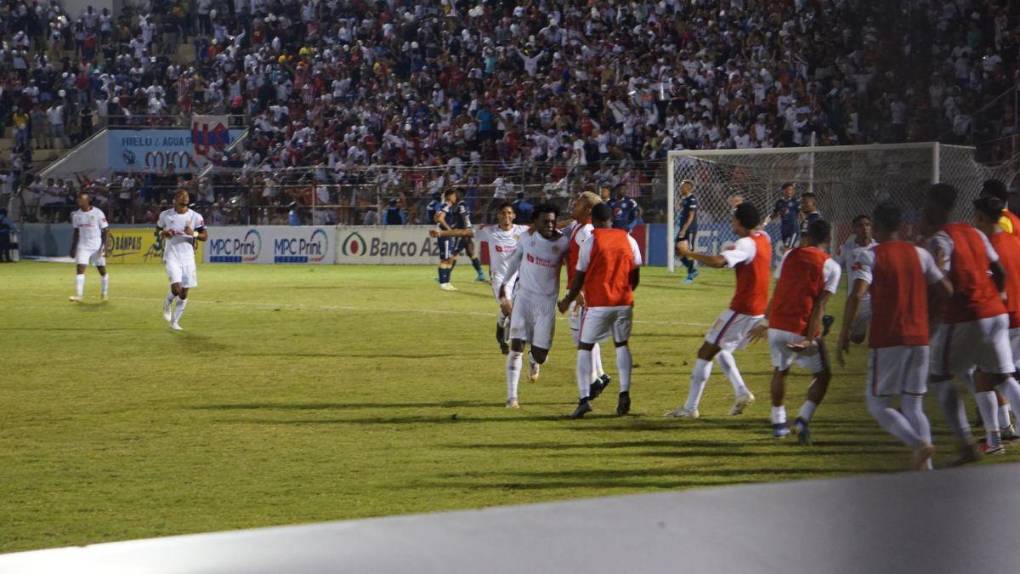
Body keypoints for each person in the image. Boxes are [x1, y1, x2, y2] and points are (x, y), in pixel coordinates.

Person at [837, 202, 950, 471]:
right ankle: (928, 469)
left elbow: (857, 293)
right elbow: (946, 289)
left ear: (876, 227)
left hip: (888, 338)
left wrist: (844, 333)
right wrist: (932, 322)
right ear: (901, 226)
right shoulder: (920, 255)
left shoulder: (870, 256)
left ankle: (918, 445)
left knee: (877, 404)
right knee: (914, 405)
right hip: (920, 338)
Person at [923, 184, 1020, 463]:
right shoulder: (978, 234)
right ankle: (994, 437)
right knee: (1003, 377)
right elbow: (1000, 273)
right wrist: (998, 296)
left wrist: (932, 313)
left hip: (967, 314)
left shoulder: (942, 239)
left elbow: (940, 280)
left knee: (941, 375)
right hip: (998, 313)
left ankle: (969, 442)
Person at [666, 202, 768, 418]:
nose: (731, 222)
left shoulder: (745, 243)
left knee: (706, 351)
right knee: (723, 349)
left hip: (742, 310)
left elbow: (718, 262)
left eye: (733, 219)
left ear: (740, 222)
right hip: (758, 310)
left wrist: (689, 253)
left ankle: (690, 408)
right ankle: (741, 392)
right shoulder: (764, 239)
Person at [750, 219, 840, 441]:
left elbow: (779, 288)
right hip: (800, 328)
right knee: (823, 374)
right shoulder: (831, 266)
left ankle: (779, 424)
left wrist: (765, 321)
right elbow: (820, 306)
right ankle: (802, 419)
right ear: (829, 238)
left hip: (777, 326)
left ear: (806, 236)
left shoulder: (790, 255)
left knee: (780, 371)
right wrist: (809, 339)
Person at [559, 202, 642, 418]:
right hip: (624, 302)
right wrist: (623, 291)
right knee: (621, 345)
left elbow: (578, 278)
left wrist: (567, 300)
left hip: (599, 304)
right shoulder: (629, 239)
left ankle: (584, 399)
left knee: (584, 347)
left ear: (593, 220)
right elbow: (635, 276)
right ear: (611, 219)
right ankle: (624, 393)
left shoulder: (591, 241)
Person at [431, 202, 529, 355]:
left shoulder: (522, 230)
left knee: (507, 311)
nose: (506, 216)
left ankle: (500, 330)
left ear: (514, 215)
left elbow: (546, 227)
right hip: (499, 279)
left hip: (517, 279)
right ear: (498, 215)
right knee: (511, 310)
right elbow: (465, 233)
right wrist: (442, 234)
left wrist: (574, 222)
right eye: (503, 213)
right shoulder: (489, 232)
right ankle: (520, 343)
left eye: (509, 213)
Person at [499, 204, 569, 406]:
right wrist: (505, 288)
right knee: (515, 347)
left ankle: (533, 360)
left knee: (540, 355)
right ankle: (512, 397)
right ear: (535, 222)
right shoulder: (526, 238)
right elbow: (514, 263)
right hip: (524, 298)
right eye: (545, 221)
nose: (550, 225)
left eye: (553, 221)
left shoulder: (563, 242)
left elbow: (574, 268)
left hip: (546, 305)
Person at [972, 195, 1020, 447]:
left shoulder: (987, 249)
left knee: (988, 377)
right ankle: (1003, 432)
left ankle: (997, 436)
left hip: (1001, 321)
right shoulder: (1016, 241)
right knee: (1000, 377)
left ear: (980, 217)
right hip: (1017, 317)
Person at [564, 192, 611, 397]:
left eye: (579, 202)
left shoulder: (586, 232)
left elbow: (590, 264)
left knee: (582, 339)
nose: (574, 204)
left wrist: (580, 291)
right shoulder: (578, 227)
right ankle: (599, 374)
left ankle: (593, 381)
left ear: (588, 210)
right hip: (578, 289)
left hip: (580, 292)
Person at [157, 190, 207, 331]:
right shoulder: (166, 215)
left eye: (187, 196)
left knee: (184, 292)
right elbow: (157, 231)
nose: (185, 197)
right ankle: (167, 302)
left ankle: (174, 322)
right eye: (182, 195)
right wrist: (164, 233)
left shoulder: (195, 216)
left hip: (188, 257)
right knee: (177, 288)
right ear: (175, 199)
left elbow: (205, 236)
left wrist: (194, 233)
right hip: (172, 255)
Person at [836, 215, 877, 344]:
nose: (864, 228)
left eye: (867, 225)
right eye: (860, 225)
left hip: (875, 301)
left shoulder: (878, 248)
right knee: (857, 338)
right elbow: (835, 266)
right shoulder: (846, 248)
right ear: (854, 229)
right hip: (856, 301)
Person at [68, 191, 109, 302]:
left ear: (87, 201)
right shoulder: (76, 215)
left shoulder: (98, 213)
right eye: (78, 199)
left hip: (97, 245)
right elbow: (76, 232)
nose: (79, 201)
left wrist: (105, 246)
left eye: (81, 199)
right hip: (83, 245)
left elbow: (105, 230)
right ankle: (79, 295)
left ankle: (104, 293)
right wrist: (73, 247)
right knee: (80, 269)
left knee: (102, 270)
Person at [434, 189, 464, 291]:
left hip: (445, 235)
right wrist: (449, 229)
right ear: (449, 197)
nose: (455, 198)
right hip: (445, 235)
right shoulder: (446, 206)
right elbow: (440, 219)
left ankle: (447, 281)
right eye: (454, 196)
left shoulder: (446, 206)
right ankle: (443, 283)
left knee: (449, 258)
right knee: (445, 258)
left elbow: (436, 218)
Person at [455, 197, 487, 282]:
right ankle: (481, 274)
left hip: (463, 231)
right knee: (471, 253)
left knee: (455, 252)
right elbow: (467, 217)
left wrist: (465, 230)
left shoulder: (461, 205)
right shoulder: (465, 205)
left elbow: (464, 217)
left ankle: (444, 276)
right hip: (468, 230)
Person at [675, 179, 699, 283]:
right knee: (677, 250)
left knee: (688, 251)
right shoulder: (685, 198)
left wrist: (684, 229)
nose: (681, 188)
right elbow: (681, 208)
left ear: (688, 187)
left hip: (690, 229)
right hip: (683, 228)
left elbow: (691, 216)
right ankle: (692, 269)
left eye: (683, 186)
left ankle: (690, 276)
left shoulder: (692, 199)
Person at [768, 183, 800, 254]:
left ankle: (788, 263)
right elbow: (774, 214)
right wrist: (765, 223)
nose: (790, 191)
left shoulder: (795, 202)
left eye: (792, 190)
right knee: (786, 248)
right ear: (783, 191)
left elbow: (800, 214)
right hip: (784, 228)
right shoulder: (779, 202)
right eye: (788, 189)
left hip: (793, 228)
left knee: (787, 248)